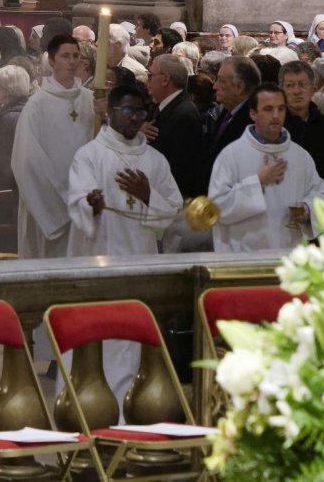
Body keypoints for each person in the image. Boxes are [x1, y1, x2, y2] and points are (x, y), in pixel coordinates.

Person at [66, 82, 183, 408]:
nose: (135, 118)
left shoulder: (155, 160)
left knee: (130, 341)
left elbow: (173, 210)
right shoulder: (89, 155)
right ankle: (87, 406)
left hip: (139, 260)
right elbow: (77, 201)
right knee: (99, 335)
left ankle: (130, 410)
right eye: (128, 111)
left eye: (140, 112)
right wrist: (92, 204)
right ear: (112, 112)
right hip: (98, 257)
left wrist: (148, 196)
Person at [208, 83, 324, 253]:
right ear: (253, 113)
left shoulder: (300, 155)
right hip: (242, 260)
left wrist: (307, 209)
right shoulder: (231, 155)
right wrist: (258, 182)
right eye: (268, 109)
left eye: (281, 109)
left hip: (290, 258)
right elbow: (216, 209)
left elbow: (320, 195)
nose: (276, 116)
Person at [10, 34, 94, 259]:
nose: (72, 61)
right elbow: (26, 160)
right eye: (65, 56)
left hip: (85, 200)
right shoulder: (37, 104)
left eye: (76, 56)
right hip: (47, 202)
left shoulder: (91, 100)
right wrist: (59, 199)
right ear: (53, 61)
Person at [279, 61, 324, 195]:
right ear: (281, 91)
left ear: (313, 89)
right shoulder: (275, 125)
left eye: (302, 85)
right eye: (290, 86)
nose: (297, 91)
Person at [143, 54, 204, 199]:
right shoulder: (163, 106)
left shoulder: (183, 115)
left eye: (151, 75)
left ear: (165, 79)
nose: (147, 81)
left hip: (169, 199)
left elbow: (180, 169)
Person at [199, 55, 261, 196]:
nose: (215, 86)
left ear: (239, 87)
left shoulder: (254, 121)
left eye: (221, 81)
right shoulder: (225, 112)